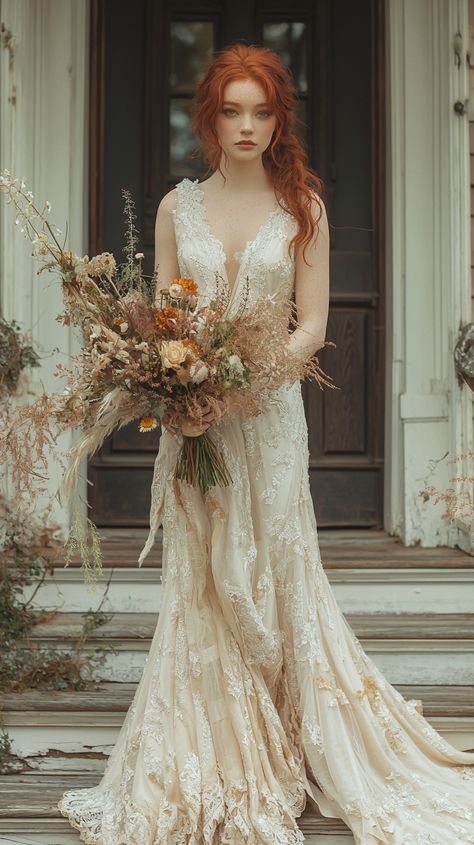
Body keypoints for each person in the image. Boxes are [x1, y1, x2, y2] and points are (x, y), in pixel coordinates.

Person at [58, 43, 474, 845]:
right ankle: (216, 752)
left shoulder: (303, 207)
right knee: (206, 578)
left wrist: (239, 386)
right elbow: (162, 321)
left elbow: (312, 327)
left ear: (280, 118)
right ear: (209, 118)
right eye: (231, 110)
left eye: (262, 110)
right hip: (197, 429)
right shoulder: (178, 210)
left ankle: (291, 740)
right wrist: (180, 393)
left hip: (271, 420)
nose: (246, 125)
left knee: (275, 570)